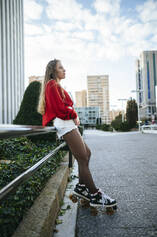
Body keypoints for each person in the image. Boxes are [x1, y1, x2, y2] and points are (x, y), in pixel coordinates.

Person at [37, 59, 117, 208]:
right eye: (61, 68)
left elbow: (63, 107)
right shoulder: (51, 85)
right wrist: (73, 114)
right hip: (65, 125)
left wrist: (72, 115)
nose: (64, 70)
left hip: (68, 124)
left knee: (87, 153)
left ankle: (81, 187)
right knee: (82, 157)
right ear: (54, 71)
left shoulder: (56, 85)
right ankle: (95, 194)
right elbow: (60, 109)